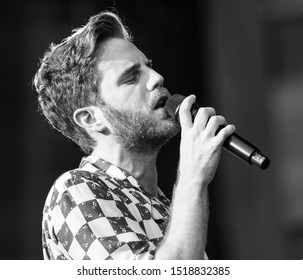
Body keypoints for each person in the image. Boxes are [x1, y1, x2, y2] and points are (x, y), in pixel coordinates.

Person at [34, 10, 235, 260]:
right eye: (131, 78)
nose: (157, 78)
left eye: (148, 67)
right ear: (91, 119)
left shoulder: (166, 208)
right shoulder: (75, 192)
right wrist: (193, 179)